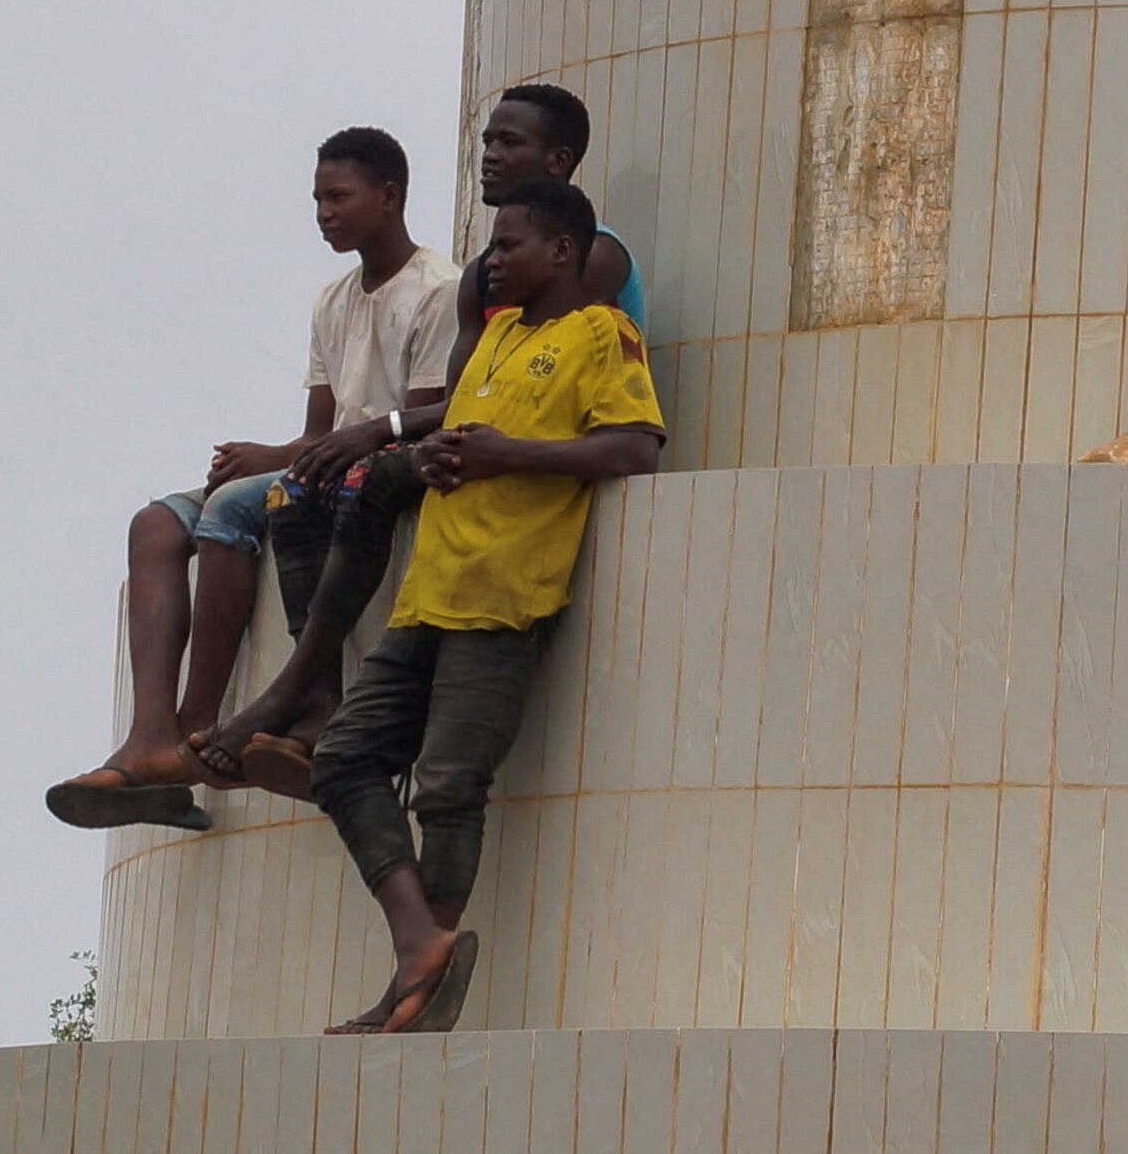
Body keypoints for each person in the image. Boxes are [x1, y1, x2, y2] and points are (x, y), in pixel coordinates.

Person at [197, 81, 638, 792]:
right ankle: (309, 699)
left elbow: (542, 389)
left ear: (558, 159)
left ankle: (296, 689)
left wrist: (383, 428)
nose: (488, 155)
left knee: (366, 478)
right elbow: (470, 395)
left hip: (541, 457)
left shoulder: (591, 259)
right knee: (301, 492)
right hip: (474, 442)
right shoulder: (483, 276)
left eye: (508, 142)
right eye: (486, 140)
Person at [305, 174, 664, 1035]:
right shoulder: (496, 337)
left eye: (509, 245)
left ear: (561, 251)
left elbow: (637, 444)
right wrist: (434, 462)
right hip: (431, 590)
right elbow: (459, 435)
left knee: (449, 788)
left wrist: (514, 455)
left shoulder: (599, 333)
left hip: (506, 594)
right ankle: (421, 940)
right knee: (343, 758)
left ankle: (414, 989)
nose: (492, 260)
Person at [44, 128, 452, 830]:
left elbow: (415, 421)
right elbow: (318, 430)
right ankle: (152, 737)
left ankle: (198, 724)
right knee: (155, 521)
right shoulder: (333, 298)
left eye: (338, 196)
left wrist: (274, 463)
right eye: (318, 197)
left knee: (234, 507)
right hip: (323, 459)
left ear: (389, 197)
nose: (324, 211)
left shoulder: (435, 290)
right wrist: (268, 451)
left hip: (373, 465)